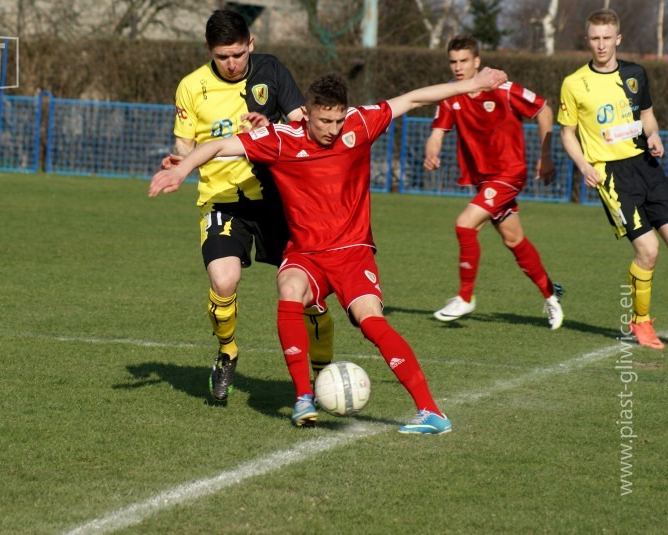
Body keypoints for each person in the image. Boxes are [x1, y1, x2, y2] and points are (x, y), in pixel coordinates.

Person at [150, 66, 509, 432]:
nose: (333, 129)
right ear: (306, 114)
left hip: (353, 251)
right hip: (305, 254)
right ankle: (303, 398)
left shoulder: (360, 123)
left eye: (338, 120)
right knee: (289, 288)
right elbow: (219, 145)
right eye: (325, 121)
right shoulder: (282, 138)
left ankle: (431, 412)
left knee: (371, 320)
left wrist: (475, 83)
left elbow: (414, 98)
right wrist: (181, 170)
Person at [164, 9, 334, 402]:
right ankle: (227, 351)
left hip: (279, 199)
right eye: (222, 56)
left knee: (309, 294)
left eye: (238, 54)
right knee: (223, 281)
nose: (232, 63)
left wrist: (270, 130)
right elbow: (184, 144)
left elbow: (304, 128)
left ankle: (323, 369)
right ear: (209, 50)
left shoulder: (271, 72)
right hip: (223, 199)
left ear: (251, 44)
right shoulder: (191, 87)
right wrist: (179, 161)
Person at [423, 35, 564, 329]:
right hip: (484, 180)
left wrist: (545, 155)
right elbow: (437, 132)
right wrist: (432, 152)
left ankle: (465, 297)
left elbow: (544, 109)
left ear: (477, 62)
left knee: (465, 224)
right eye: (453, 62)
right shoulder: (450, 95)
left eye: (464, 61)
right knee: (513, 239)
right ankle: (551, 295)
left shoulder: (503, 89)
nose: (458, 67)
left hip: (509, 173)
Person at [559, 9, 667, 350]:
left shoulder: (635, 73)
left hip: (646, 166)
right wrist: (583, 165)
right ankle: (640, 322)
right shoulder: (574, 83)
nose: (601, 44)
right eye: (595, 38)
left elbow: (646, 115)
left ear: (617, 38)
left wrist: (654, 134)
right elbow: (567, 132)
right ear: (587, 40)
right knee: (648, 250)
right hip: (611, 175)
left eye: (607, 38)